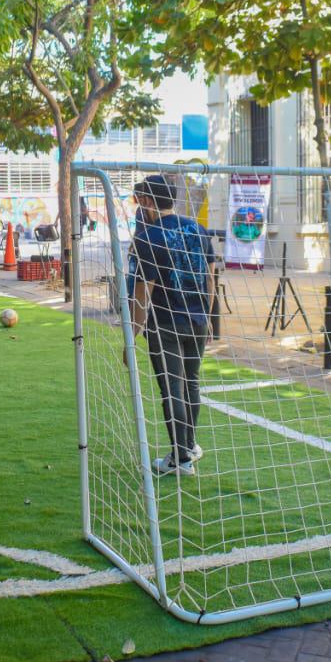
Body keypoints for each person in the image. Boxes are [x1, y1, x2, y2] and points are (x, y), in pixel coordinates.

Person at [125, 175, 215, 476]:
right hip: (198, 321)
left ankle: (181, 459)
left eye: (139, 201)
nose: (139, 208)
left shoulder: (147, 238)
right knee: (191, 383)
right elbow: (210, 278)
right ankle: (188, 448)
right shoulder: (199, 230)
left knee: (172, 388)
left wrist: (132, 335)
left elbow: (142, 292)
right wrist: (209, 318)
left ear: (148, 201)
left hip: (167, 324)